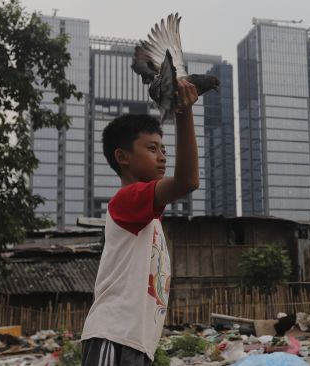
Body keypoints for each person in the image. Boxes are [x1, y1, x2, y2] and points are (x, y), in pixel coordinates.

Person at [80, 79, 199, 366]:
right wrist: (183, 113)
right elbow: (187, 180)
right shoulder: (126, 201)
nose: (162, 157)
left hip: (136, 343)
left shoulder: (150, 216)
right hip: (114, 337)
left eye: (164, 150)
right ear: (122, 157)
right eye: (152, 148)